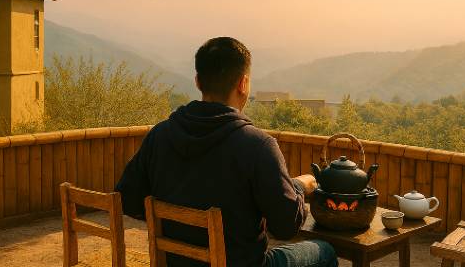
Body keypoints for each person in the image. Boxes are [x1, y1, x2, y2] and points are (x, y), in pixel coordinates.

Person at [116, 37, 337, 267]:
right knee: (325, 252)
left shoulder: (159, 135)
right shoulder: (258, 146)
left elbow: (128, 200)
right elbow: (285, 227)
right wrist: (299, 187)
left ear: (198, 82)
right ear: (243, 83)